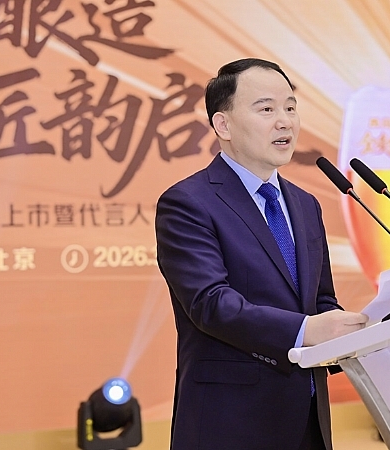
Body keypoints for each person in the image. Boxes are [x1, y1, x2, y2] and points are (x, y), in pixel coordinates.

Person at [155, 58, 368, 450]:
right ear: (223, 125)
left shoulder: (305, 205)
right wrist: (306, 330)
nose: (285, 121)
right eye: (266, 109)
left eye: (290, 107)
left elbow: (320, 301)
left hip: (308, 421)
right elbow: (210, 304)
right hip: (230, 424)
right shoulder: (188, 203)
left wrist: (357, 332)